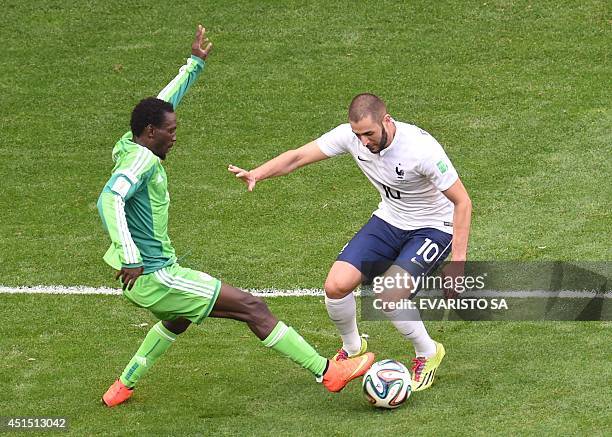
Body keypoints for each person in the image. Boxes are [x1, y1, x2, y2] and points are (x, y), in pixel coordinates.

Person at [97, 25, 374, 408]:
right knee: (252, 307)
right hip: (155, 274)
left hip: (148, 278)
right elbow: (108, 199)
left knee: (178, 318)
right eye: (170, 132)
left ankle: (122, 386)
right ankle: (329, 372)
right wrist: (130, 256)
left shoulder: (130, 143)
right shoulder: (143, 159)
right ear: (149, 133)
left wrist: (193, 65)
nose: (175, 136)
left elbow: (162, 101)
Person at [229, 93, 472, 391]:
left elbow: (462, 202)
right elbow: (297, 157)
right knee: (336, 285)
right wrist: (257, 173)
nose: (364, 142)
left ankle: (429, 353)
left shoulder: (421, 149)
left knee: (389, 295)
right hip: (390, 219)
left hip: (434, 227)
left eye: (369, 133)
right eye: (358, 135)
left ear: (386, 120)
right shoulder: (351, 137)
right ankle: (353, 347)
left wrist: (458, 265)